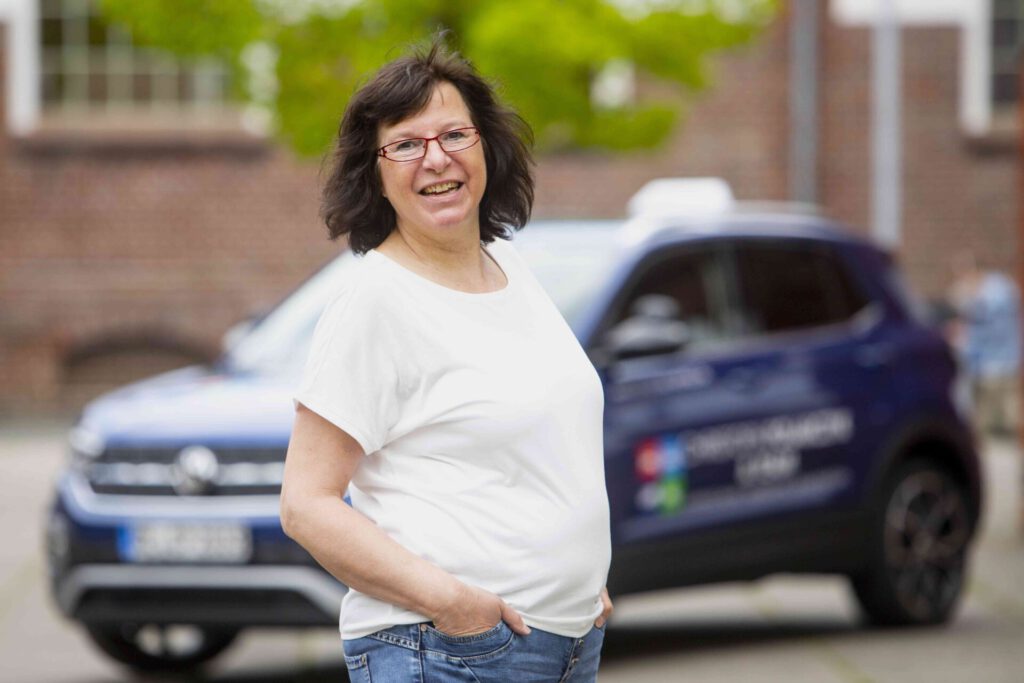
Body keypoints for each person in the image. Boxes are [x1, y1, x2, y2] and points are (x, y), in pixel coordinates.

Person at [280, 38, 613, 681]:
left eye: (454, 134)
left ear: (486, 146)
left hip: (566, 644)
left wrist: (578, 583)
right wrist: (454, 604)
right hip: (455, 652)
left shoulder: (510, 267)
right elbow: (306, 502)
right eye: (405, 143)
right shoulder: (375, 299)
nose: (436, 158)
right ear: (375, 173)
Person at [948, 251, 1021, 438]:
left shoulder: (997, 290)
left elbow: (990, 320)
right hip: (979, 365)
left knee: (1004, 421)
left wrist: (968, 299)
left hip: (999, 364)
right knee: (980, 423)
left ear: (974, 270)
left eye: (963, 274)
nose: (961, 280)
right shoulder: (980, 292)